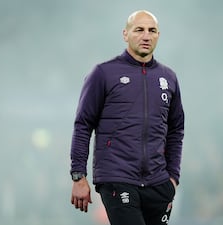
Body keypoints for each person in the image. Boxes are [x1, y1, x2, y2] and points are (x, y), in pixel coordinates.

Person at [70, 9, 185, 225]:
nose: (146, 36)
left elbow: (176, 129)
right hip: (117, 178)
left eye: (152, 31)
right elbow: (83, 125)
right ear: (125, 34)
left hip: (159, 183)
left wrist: (173, 178)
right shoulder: (103, 73)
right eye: (139, 30)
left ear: (158, 35)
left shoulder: (168, 78)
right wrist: (78, 175)